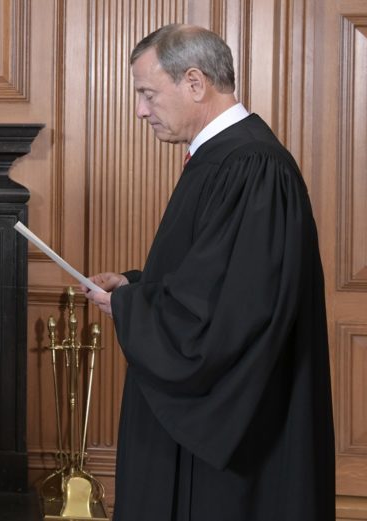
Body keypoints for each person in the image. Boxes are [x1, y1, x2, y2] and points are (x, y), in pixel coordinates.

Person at [82, 24, 334, 520]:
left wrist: (132, 307)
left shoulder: (252, 166)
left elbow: (231, 312)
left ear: (195, 83)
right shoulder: (226, 159)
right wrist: (139, 286)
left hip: (243, 433)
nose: (140, 110)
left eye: (148, 93)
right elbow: (212, 274)